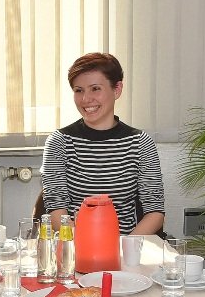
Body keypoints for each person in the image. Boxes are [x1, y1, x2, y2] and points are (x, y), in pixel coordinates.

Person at [40, 53, 164, 235]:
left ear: (117, 89)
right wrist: (87, 248)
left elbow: (155, 212)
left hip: (125, 248)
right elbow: (56, 208)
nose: (85, 99)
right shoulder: (59, 142)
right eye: (78, 90)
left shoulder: (140, 143)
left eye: (95, 89)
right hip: (75, 247)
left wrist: (122, 250)